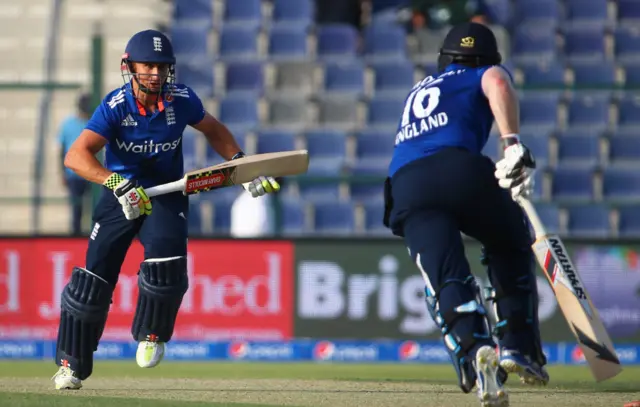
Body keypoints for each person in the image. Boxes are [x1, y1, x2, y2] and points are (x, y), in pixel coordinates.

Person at [51, 29, 280, 390]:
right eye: (148, 66)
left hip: (165, 193)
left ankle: (152, 334)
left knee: (167, 267)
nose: (155, 74)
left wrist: (241, 164)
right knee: (91, 283)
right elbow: (75, 156)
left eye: (162, 66)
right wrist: (114, 183)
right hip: (121, 193)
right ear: (129, 66)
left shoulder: (181, 99)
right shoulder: (115, 106)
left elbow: (214, 129)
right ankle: (71, 365)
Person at [383, 22, 548, 406]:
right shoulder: (483, 71)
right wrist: (511, 145)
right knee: (510, 242)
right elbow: (498, 84)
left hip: (407, 184)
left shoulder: (420, 88)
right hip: (461, 171)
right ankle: (517, 347)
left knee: (446, 277)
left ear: (444, 58)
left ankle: (474, 353)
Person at [58, 92, 92, 235]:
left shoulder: (94, 123)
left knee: (97, 208)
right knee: (76, 209)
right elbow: (61, 150)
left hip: (93, 171)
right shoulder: (68, 124)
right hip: (74, 173)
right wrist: (62, 172)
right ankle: (76, 237)